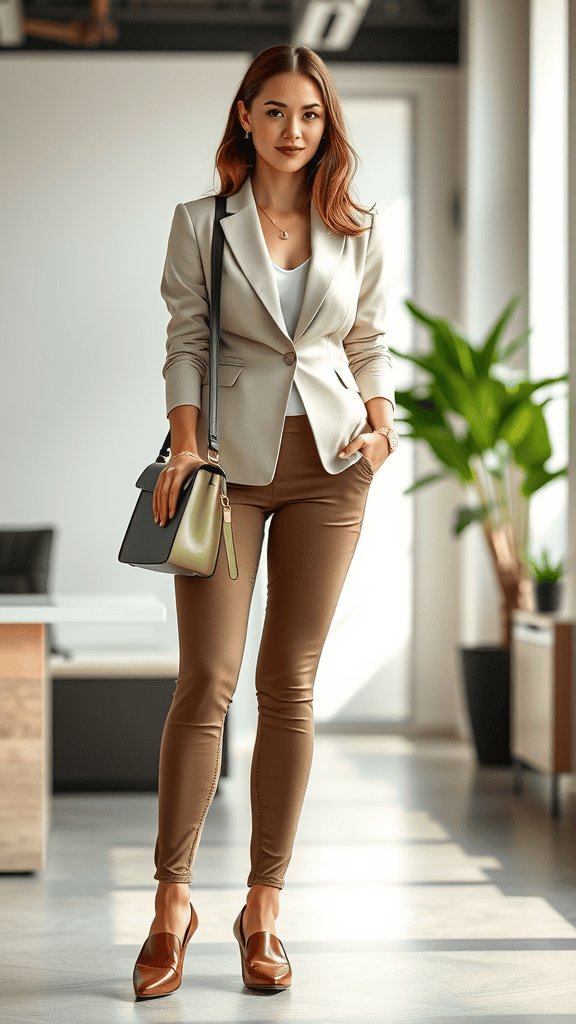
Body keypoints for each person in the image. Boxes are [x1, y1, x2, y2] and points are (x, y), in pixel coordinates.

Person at [132, 42, 398, 1000]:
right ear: (245, 115)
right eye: (277, 110)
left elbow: (366, 341)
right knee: (207, 680)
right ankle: (171, 903)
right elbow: (186, 339)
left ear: (328, 128)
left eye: (312, 115)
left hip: (332, 469)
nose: (295, 130)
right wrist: (184, 446)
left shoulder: (353, 229)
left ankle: (263, 908)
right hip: (227, 471)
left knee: (289, 684)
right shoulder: (201, 223)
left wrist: (381, 429)